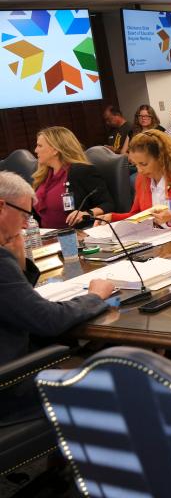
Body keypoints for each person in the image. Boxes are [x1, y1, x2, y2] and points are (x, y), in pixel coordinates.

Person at [0, 171, 112, 421]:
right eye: (24, 215)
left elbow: (13, 304)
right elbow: (48, 320)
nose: (24, 225)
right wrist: (94, 296)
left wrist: (18, 261)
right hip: (10, 388)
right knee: (125, 371)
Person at [99, 130, 171, 232]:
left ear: (160, 158)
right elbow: (138, 215)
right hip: (159, 237)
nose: (139, 170)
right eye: (135, 164)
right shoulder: (142, 179)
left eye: (143, 164)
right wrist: (111, 217)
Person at [32, 127, 114, 229]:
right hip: (46, 236)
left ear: (55, 150)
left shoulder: (81, 171)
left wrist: (86, 213)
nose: (35, 150)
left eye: (40, 146)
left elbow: (108, 204)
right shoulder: (42, 175)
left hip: (75, 234)